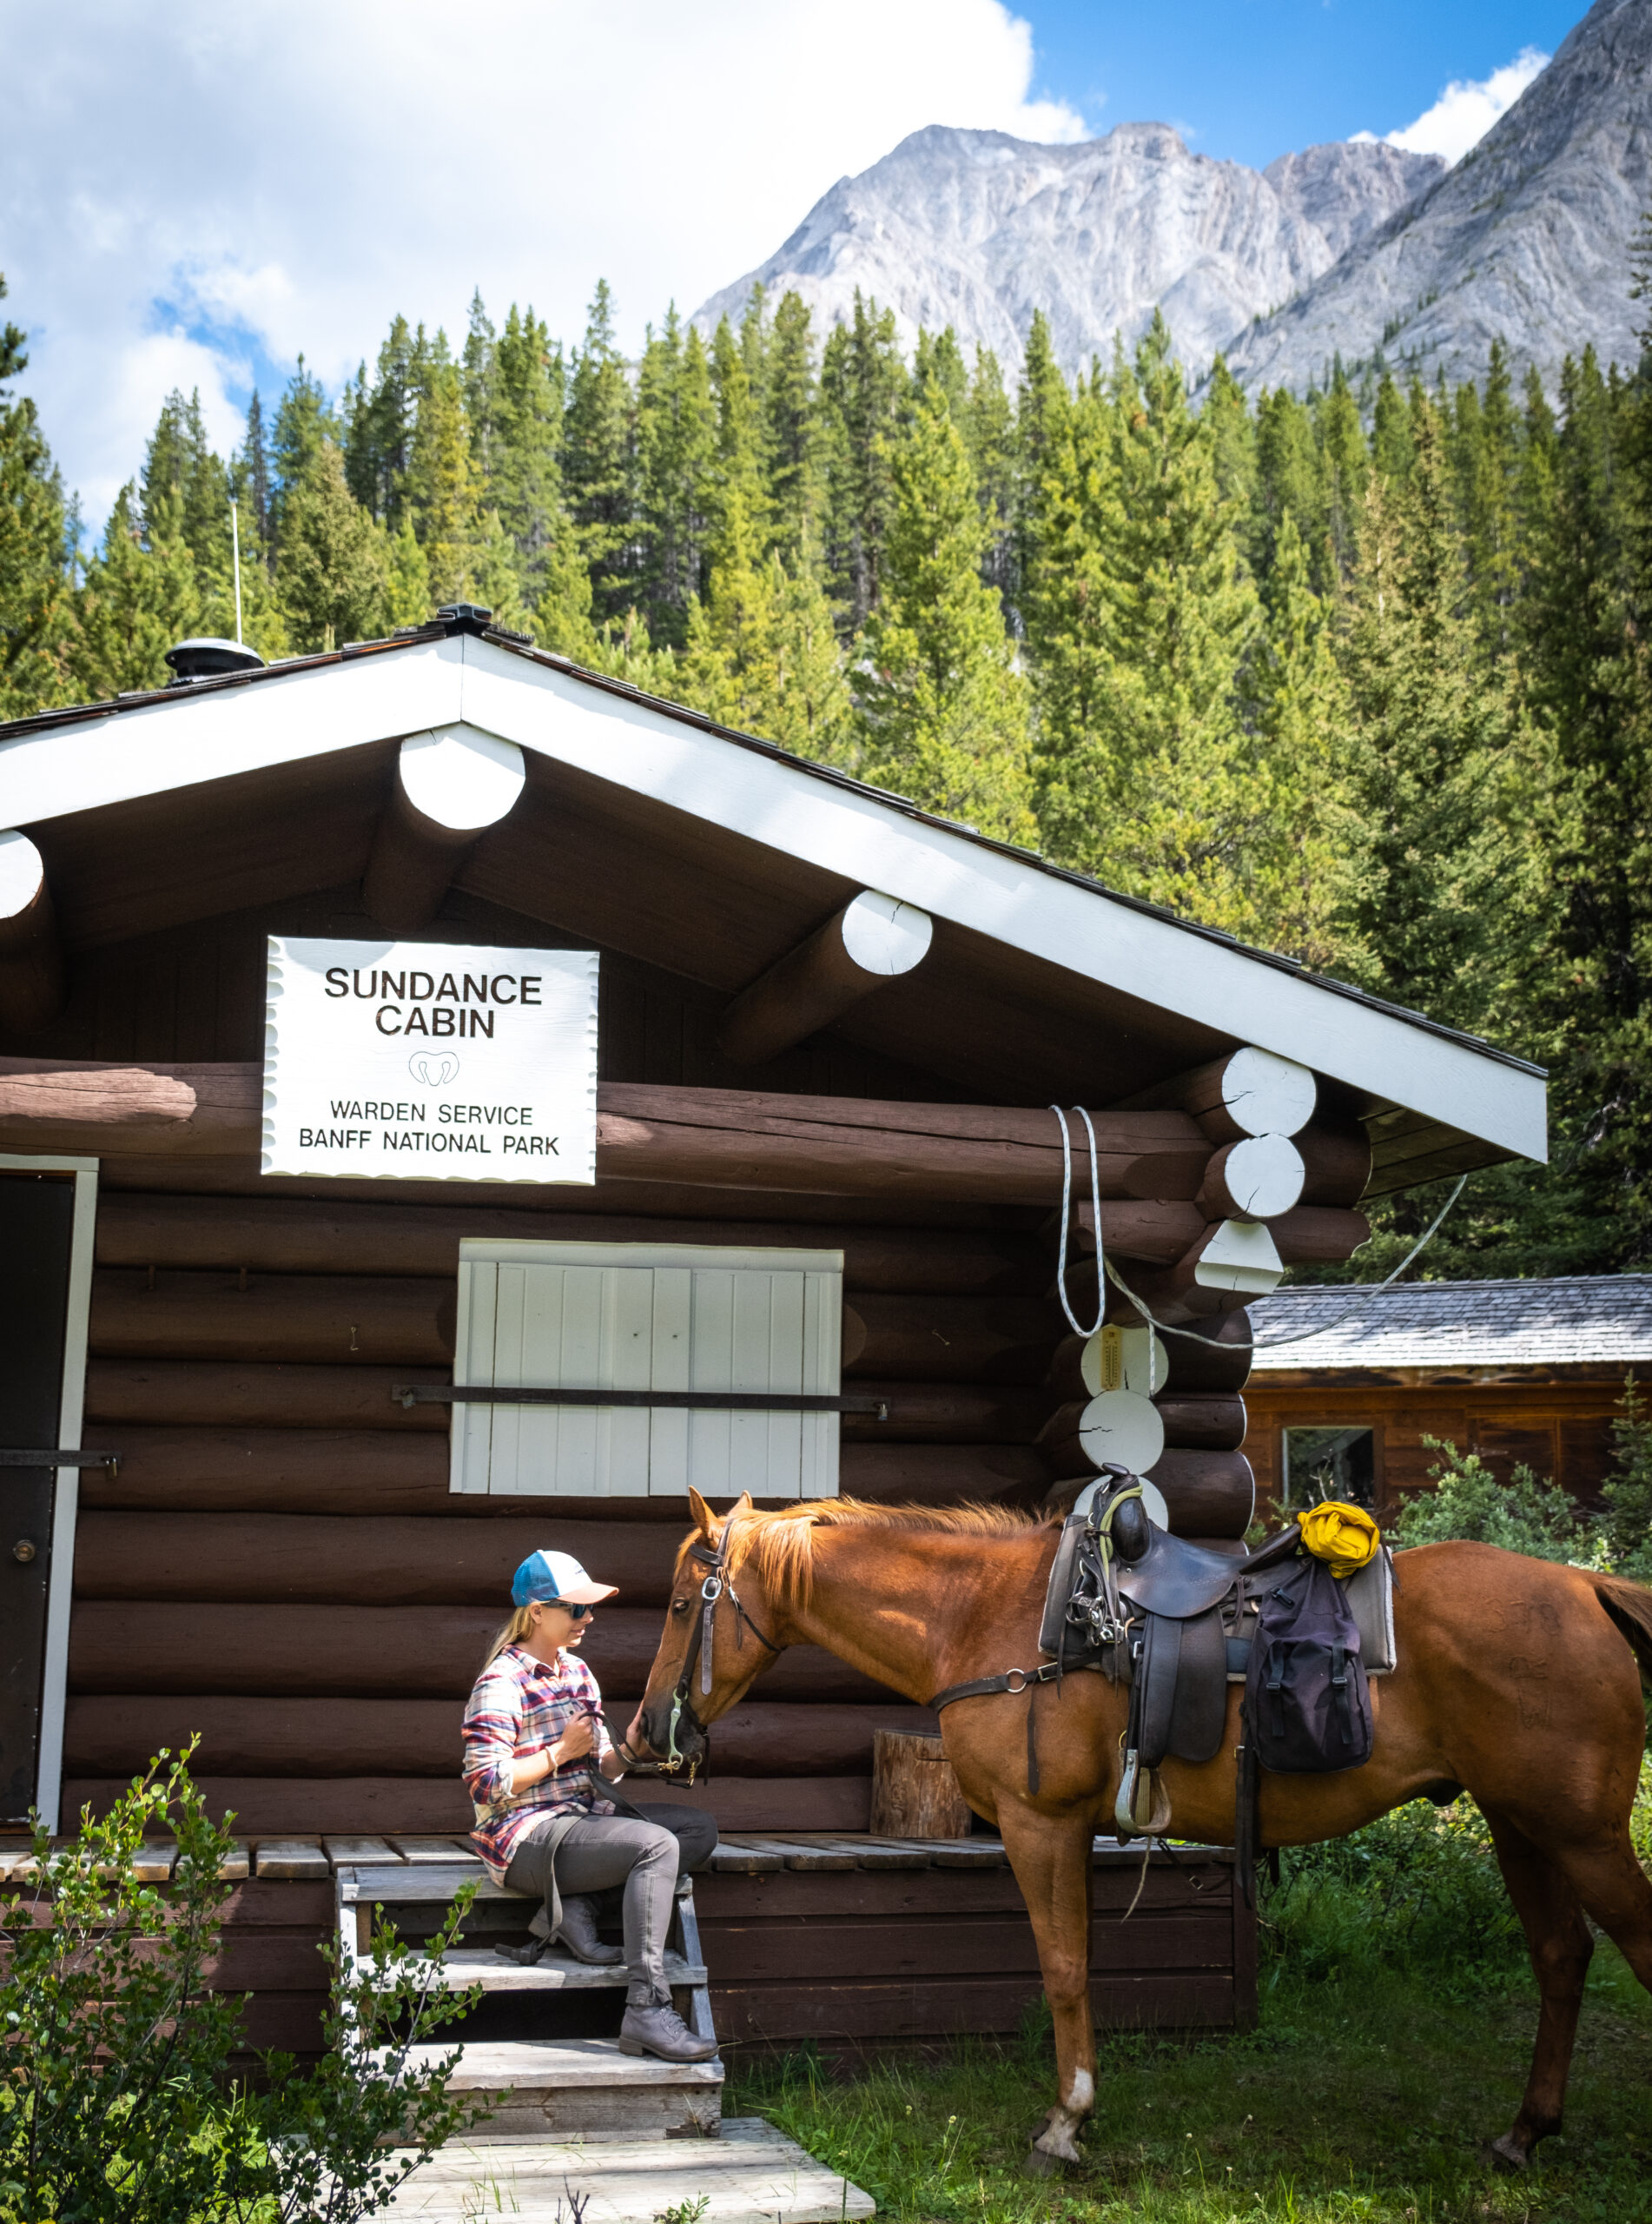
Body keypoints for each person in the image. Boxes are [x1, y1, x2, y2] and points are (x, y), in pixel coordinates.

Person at [461, 1546, 718, 2063]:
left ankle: (578, 1907)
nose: (588, 1617)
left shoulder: (577, 1671)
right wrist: (560, 1752)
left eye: (590, 1607)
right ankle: (646, 2007)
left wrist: (629, 1748)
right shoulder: (501, 1682)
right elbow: (486, 1784)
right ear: (537, 1611)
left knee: (697, 1830)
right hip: (525, 1837)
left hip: (582, 1822)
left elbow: (599, 1767)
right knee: (654, 1846)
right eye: (576, 1608)